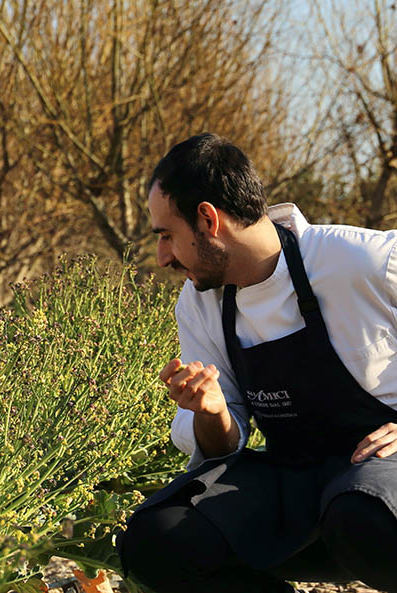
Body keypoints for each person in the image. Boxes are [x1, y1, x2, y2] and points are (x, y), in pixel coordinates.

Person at [118, 133, 397, 593]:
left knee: (363, 515)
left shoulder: (362, 262)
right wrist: (213, 412)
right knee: (157, 538)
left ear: (208, 219)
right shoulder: (200, 304)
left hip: (379, 492)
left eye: (166, 235)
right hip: (297, 487)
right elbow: (222, 448)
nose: (162, 256)